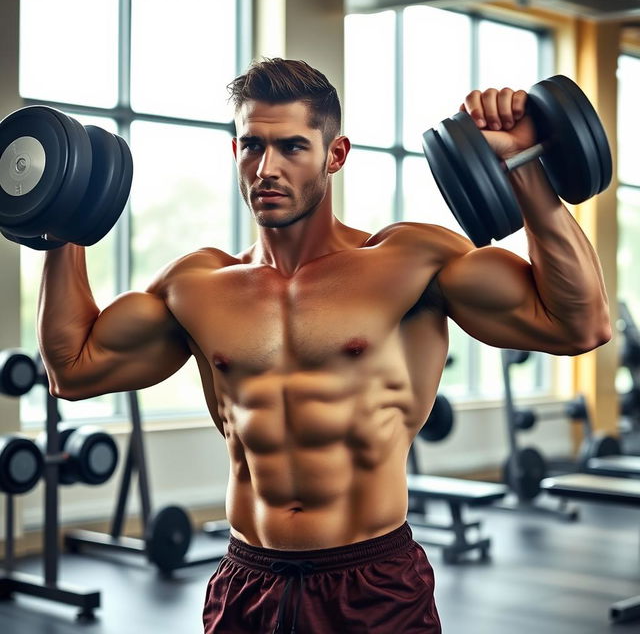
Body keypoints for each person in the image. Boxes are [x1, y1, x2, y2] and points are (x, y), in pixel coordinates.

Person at [37, 58, 611, 633]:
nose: (266, 168)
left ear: (335, 155)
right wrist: (61, 227)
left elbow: (578, 324)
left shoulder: (409, 262)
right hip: (247, 582)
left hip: (372, 583)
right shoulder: (197, 285)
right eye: (251, 146)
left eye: (291, 147)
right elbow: (74, 370)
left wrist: (524, 164)